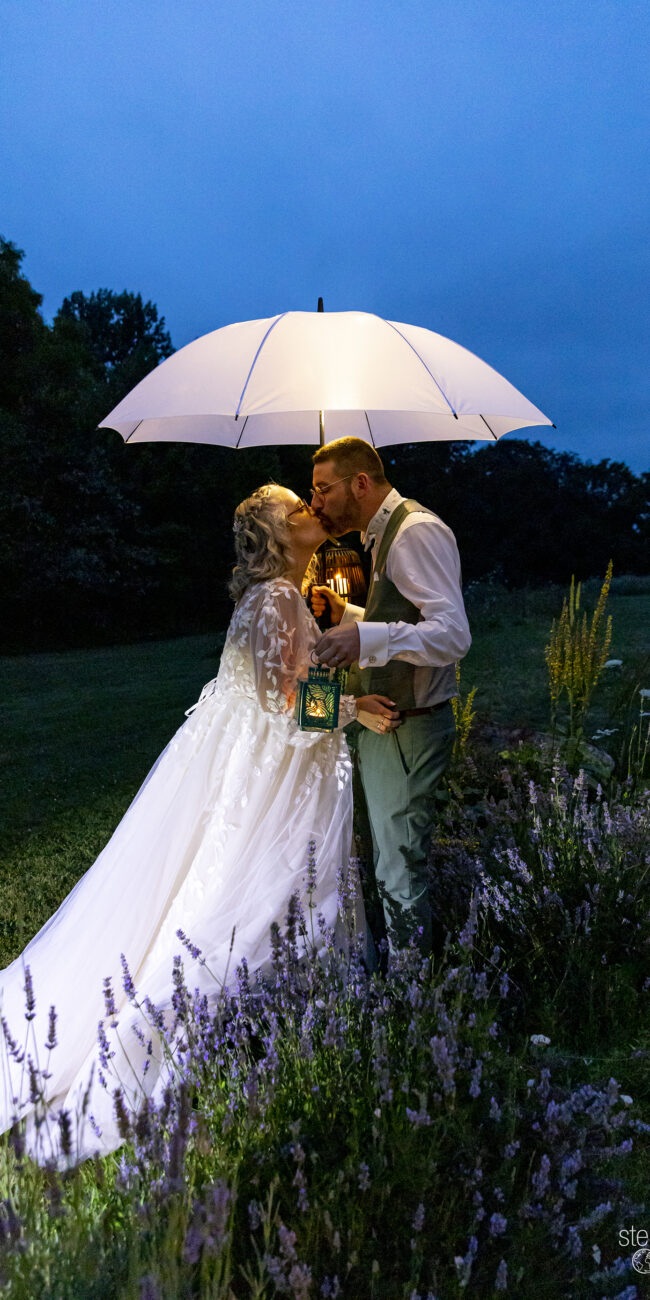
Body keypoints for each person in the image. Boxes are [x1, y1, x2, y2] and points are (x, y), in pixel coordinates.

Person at [0, 485, 398, 1166]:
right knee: (260, 885)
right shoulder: (275, 598)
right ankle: (251, 1020)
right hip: (279, 773)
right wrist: (354, 707)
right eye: (296, 511)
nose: (310, 513)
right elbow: (282, 703)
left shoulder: (277, 595)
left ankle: (298, 1018)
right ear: (276, 535)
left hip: (262, 763)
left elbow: (283, 679)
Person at [309, 438, 471, 958]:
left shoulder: (414, 533)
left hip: (407, 726)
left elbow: (452, 636)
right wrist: (352, 615)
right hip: (385, 725)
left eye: (322, 489)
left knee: (399, 867)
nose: (315, 504)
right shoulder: (382, 535)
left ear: (360, 483)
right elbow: (403, 614)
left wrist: (365, 639)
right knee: (386, 860)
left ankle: (416, 999)